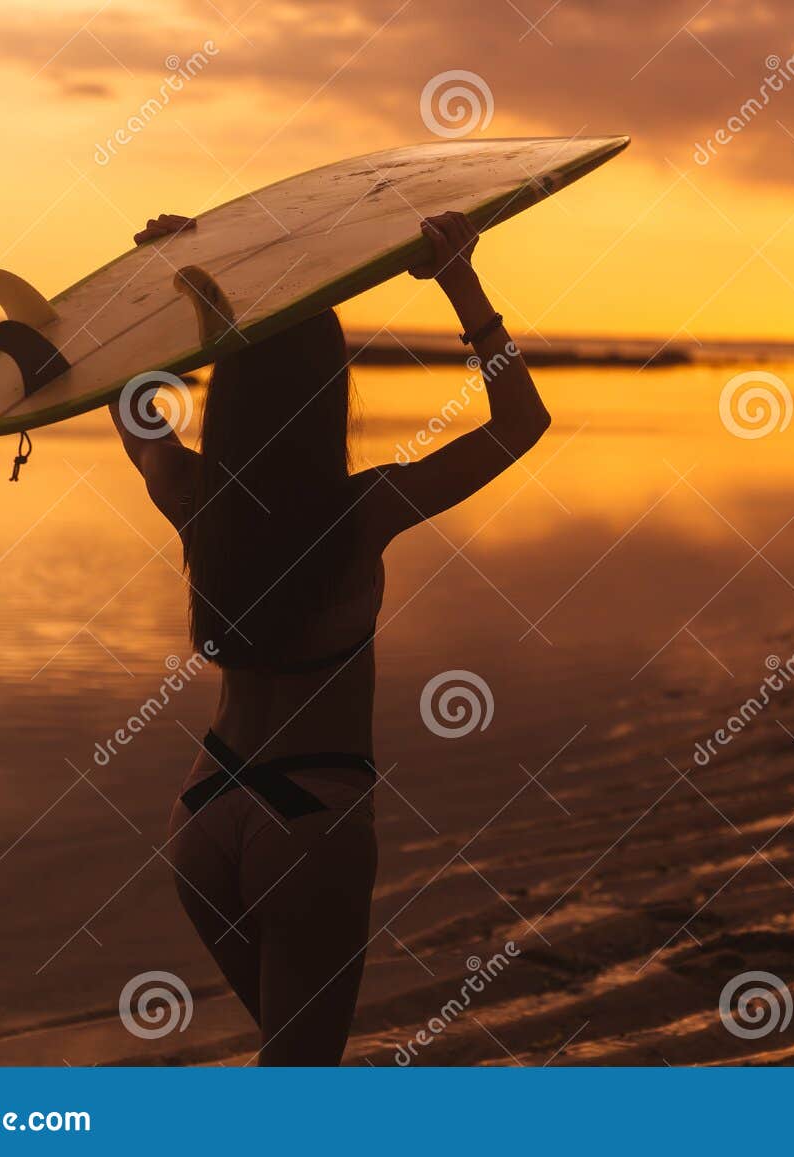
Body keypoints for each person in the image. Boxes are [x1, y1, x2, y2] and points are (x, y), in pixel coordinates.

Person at [110, 210, 550, 1064]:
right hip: (312, 821)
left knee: (294, 1066)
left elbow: (130, 397)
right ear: (329, 392)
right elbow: (518, 423)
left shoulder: (195, 496)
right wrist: (459, 279)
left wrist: (177, 277)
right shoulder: (363, 511)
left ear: (229, 396)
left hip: (203, 815)